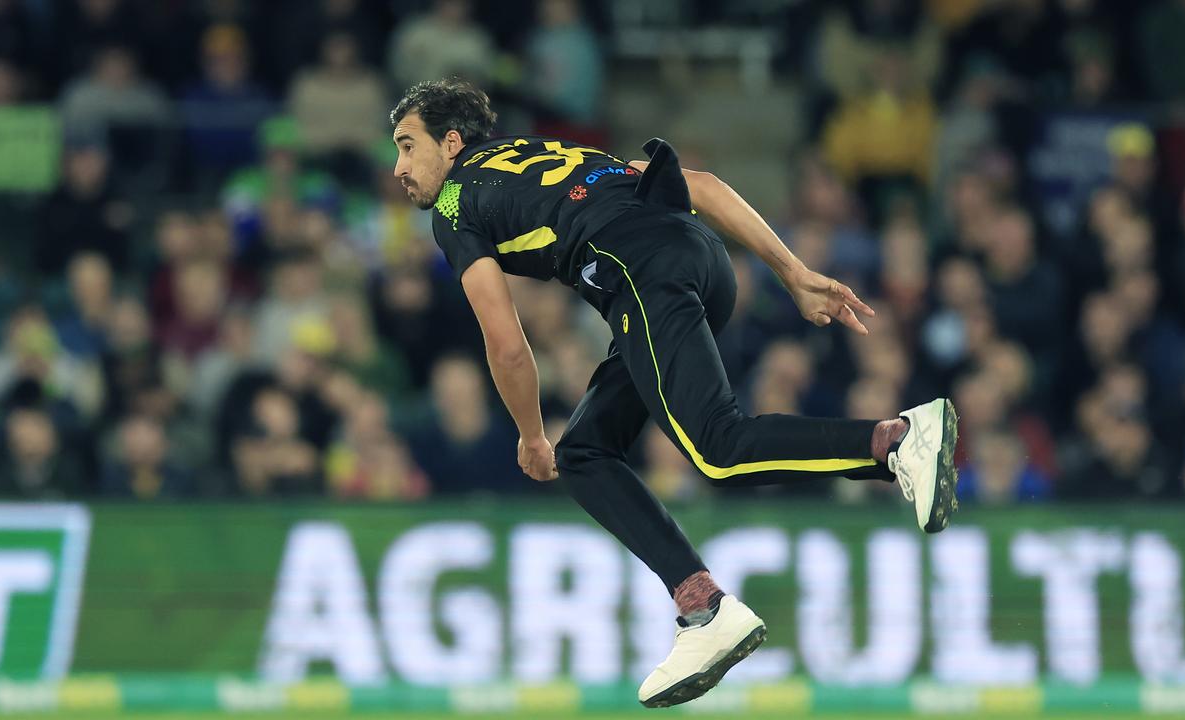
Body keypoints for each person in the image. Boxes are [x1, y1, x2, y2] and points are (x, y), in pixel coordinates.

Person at [389, 79, 959, 708]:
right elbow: (705, 186)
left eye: (407, 146)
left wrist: (528, 434)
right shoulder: (548, 153)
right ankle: (701, 605)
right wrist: (792, 273)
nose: (399, 168)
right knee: (587, 452)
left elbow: (507, 344)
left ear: (450, 142)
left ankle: (894, 440)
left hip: (639, 272)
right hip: (702, 261)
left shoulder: (454, 206)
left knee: (718, 447)